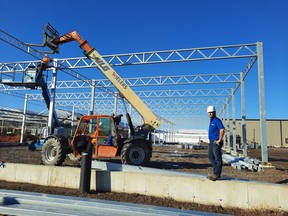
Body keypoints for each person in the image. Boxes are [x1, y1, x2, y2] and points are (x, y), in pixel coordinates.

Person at [206, 105, 225, 181]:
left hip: (216, 142)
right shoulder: (211, 121)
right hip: (211, 142)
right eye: (208, 113)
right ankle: (215, 172)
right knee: (210, 157)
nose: (210, 114)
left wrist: (219, 139)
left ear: (214, 112)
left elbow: (222, 130)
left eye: (211, 112)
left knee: (217, 158)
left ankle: (217, 174)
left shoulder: (217, 120)